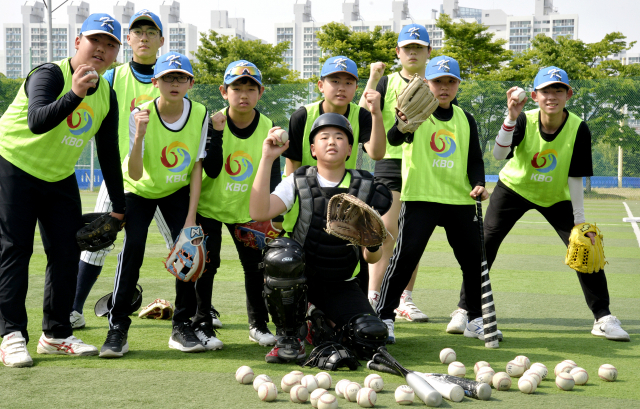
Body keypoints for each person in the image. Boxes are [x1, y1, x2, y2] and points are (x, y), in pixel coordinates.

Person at [69, 9, 221, 331]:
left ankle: (197, 310)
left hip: (167, 178)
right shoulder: (113, 76)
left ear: (161, 41)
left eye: (151, 32)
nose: (144, 37)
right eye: (138, 32)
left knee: (182, 244)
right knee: (99, 242)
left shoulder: (172, 75)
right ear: (128, 39)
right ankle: (73, 308)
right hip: (121, 177)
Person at [455, 66, 629, 342]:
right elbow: (499, 155)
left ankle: (603, 317)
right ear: (534, 95)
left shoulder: (578, 128)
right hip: (513, 189)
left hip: (555, 196)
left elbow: (575, 174)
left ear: (568, 94)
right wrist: (510, 118)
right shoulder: (524, 120)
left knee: (585, 244)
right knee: (485, 245)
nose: (552, 96)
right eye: (546, 90)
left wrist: (579, 221)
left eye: (558, 90)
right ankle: (466, 310)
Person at [0, 13, 125, 367]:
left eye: (110, 44)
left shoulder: (107, 96)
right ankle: (10, 335)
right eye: (95, 41)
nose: (101, 49)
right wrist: (74, 93)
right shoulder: (50, 74)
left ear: (117, 53)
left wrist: (119, 207)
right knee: (15, 248)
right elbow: (38, 120)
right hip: (12, 164)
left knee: (67, 252)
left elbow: (108, 152)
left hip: (58, 175)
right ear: (77, 43)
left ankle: (56, 334)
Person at [99, 52, 222, 358]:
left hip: (176, 191)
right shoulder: (140, 113)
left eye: (181, 77)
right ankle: (117, 327)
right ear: (155, 82)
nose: (174, 83)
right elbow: (136, 172)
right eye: (168, 77)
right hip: (139, 190)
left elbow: (196, 167)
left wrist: (191, 218)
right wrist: (139, 135)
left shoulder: (200, 113)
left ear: (191, 83)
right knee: (133, 250)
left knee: (188, 250)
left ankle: (181, 326)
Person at [375, 56, 501, 344]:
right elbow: (393, 140)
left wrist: (480, 184)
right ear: (426, 84)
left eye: (450, 81)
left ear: (457, 85)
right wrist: (403, 124)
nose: (444, 87)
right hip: (422, 197)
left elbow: (474, 160)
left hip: (459, 200)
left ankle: (474, 318)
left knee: (473, 262)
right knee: (405, 258)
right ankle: (384, 316)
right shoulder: (416, 113)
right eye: (437, 82)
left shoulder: (465, 119)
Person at [250, 112, 392, 363]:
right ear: (313, 149)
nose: (332, 141)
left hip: (342, 282)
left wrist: (372, 242)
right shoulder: (298, 180)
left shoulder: (366, 186)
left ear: (349, 149)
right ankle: (289, 337)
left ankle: (318, 325)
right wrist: (267, 159)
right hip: (301, 282)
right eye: (324, 137)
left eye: (340, 137)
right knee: (281, 255)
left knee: (370, 337)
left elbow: (372, 258)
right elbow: (258, 212)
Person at [191, 60, 282, 350]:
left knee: (256, 268)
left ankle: (258, 325)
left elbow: (274, 174)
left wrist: (273, 212)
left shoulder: (267, 126)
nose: (243, 94)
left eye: (250, 88)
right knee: (206, 266)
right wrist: (216, 133)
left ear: (261, 92)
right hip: (209, 206)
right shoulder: (212, 121)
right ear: (223, 91)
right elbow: (214, 170)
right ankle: (202, 325)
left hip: (248, 211)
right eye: (236, 88)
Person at [281, 55, 386, 291]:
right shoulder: (303, 116)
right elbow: (293, 167)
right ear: (321, 85)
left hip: (348, 200)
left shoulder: (361, 115)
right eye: (334, 81)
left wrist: (376, 113)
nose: (341, 87)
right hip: (309, 199)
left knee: (350, 263)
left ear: (356, 87)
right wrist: (290, 205)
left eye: (348, 83)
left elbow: (377, 153)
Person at [359, 24, 432, 322]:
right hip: (390, 162)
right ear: (398, 52)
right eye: (407, 47)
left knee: (412, 238)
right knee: (386, 233)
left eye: (419, 47)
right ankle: (373, 295)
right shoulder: (387, 82)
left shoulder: (437, 82)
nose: (413, 52)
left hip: (422, 165)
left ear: (429, 52)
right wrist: (374, 77)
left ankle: (405, 298)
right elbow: (362, 111)